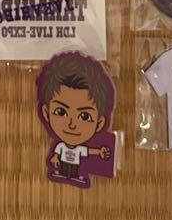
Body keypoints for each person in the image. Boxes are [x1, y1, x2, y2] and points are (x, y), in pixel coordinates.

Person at [36, 52, 114, 187]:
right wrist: (54, 158)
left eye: (84, 116)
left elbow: (89, 152)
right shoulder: (60, 147)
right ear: (46, 113)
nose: (72, 125)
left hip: (76, 168)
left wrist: (100, 152)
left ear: (99, 123)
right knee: (65, 168)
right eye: (61, 112)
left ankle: (75, 175)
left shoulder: (78, 149)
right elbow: (56, 155)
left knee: (73, 170)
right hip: (63, 166)